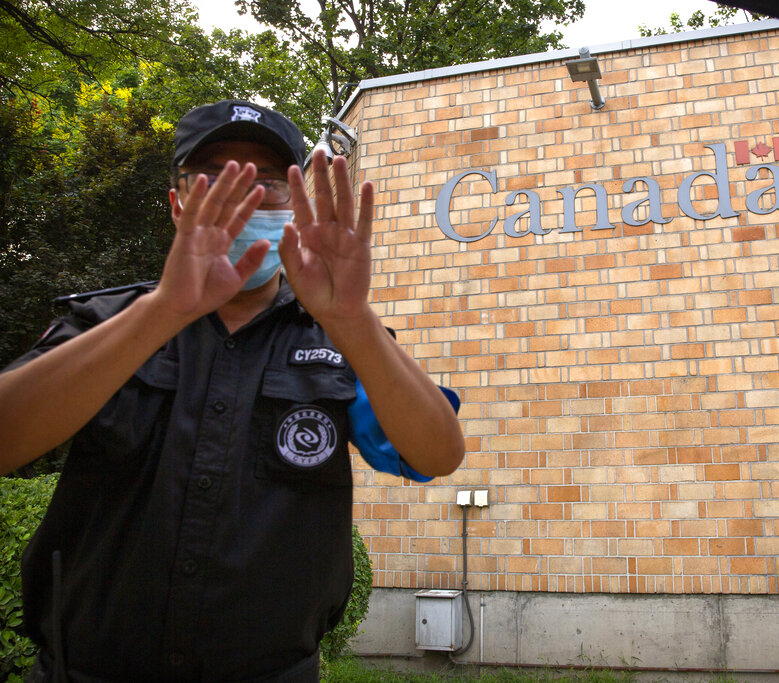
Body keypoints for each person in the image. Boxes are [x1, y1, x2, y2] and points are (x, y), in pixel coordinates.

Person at [0, 100, 465, 681]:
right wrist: (165, 311)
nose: (245, 199)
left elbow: (438, 454)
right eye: (216, 178)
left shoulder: (342, 338)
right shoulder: (104, 321)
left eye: (268, 182)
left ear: (296, 208)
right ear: (176, 204)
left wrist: (352, 320)